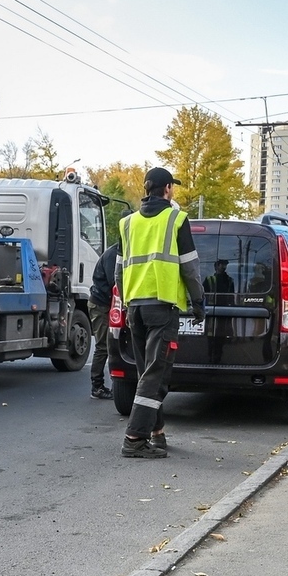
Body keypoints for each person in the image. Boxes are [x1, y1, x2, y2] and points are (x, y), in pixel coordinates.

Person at [115, 167, 205, 459]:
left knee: (146, 372)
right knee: (156, 374)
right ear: (167, 189)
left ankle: (156, 432)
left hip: (136, 307)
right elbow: (190, 269)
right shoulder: (176, 219)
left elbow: (119, 271)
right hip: (162, 307)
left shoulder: (127, 223)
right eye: (172, 188)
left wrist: (128, 302)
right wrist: (198, 303)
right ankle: (134, 438)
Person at [88, 242, 119, 400]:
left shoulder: (120, 251)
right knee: (103, 346)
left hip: (108, 304)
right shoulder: (113, 254)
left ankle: (112, 384)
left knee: (113, 345)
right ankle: (97, 387)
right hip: (101, 305)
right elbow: (114, 283)